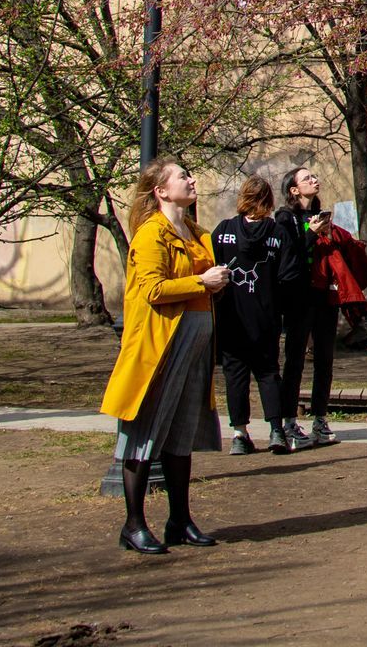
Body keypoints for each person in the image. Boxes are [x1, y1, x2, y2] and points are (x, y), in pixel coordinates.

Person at [100, 159, 228, 554]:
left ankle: (179, 520)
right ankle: (133, 524)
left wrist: (216, 283)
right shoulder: (150, 235)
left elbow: (201, 283)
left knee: (180, 435)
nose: (191, 181)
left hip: (194, 346)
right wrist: (201, 282)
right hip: (160, 349)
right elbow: (153, 290)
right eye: (183, 177)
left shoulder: (192, 232)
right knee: (144, 433)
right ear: (160, 191)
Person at [213, 175, 302, 455]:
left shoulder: (224, 231)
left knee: (235, 375)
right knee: (268, 373)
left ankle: (239, 434)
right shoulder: (278, 234)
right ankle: (276, 431)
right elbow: (289, 278)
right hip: (265, 317)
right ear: (269, 200)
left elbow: (211, 267)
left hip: (231, 317)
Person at [273, 168, 328, 452]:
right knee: (294, 358)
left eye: (314, 177)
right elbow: (289, 257)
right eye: (307, 179)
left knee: (324, 359)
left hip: (323, 295)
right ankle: (288, 421)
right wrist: (312, 234)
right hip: (298, 297)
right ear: (294, 190)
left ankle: (321, 418)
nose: (314, 180)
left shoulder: (317, 216)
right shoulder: (285, 219)